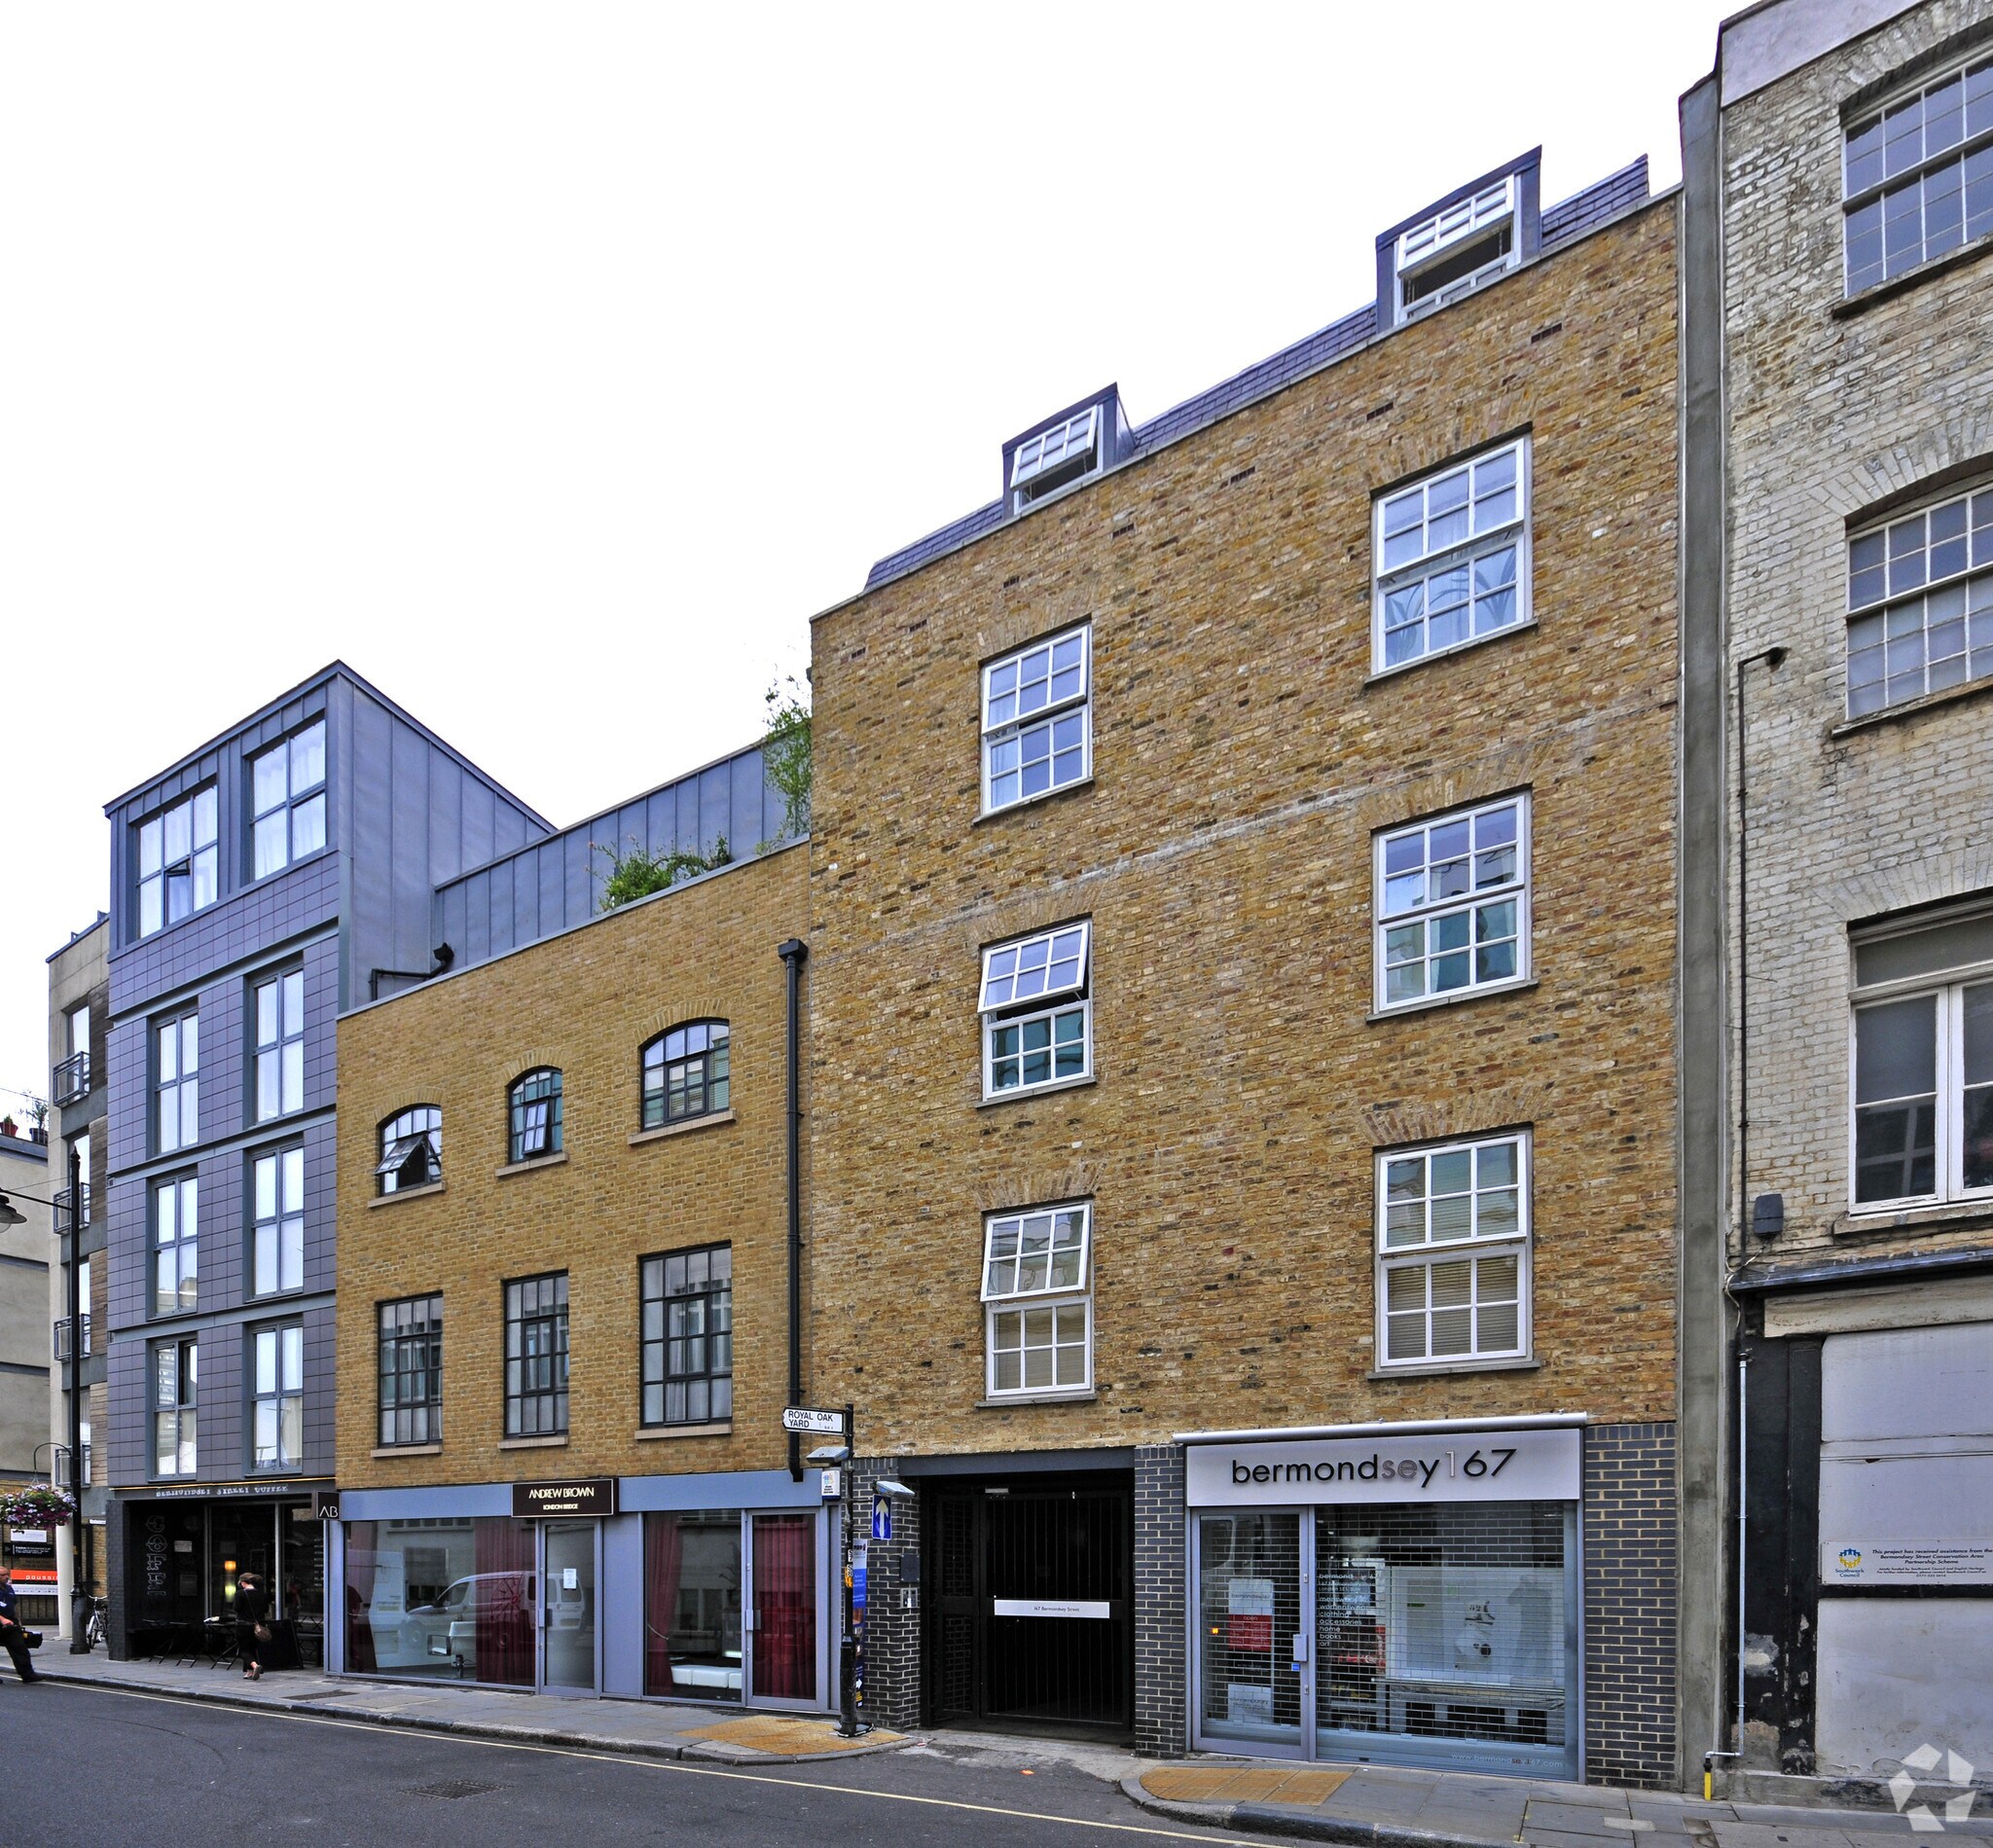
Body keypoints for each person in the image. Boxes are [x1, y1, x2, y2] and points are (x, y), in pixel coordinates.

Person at [0, 1566, 44, 1685]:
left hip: (11, 1624)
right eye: (2, 1575)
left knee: (20, 1648)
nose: (6, 1577)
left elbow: (14, 1606)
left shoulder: (9, 1589)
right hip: (2, 1621)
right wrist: (2, 1619)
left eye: (7, 1574)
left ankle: (27, 1675)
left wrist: (18, 1622)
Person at [236, 1572, 272, 1682]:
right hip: (259, 1627)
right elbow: (266, 1610)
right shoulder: (262, 1594)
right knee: (252, 1648)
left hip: (244, 1626)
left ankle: (255, 1666)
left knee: (243, 1650)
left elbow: (236, 1608)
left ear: (243, 1583)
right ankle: (249, 1672)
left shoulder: (240, 1594)